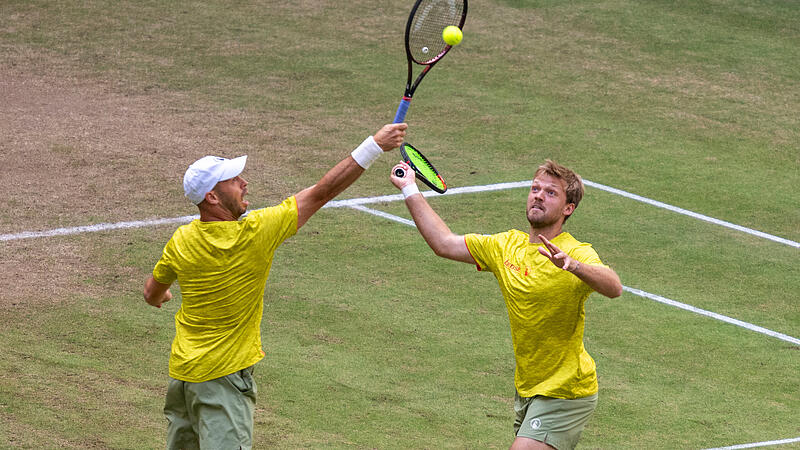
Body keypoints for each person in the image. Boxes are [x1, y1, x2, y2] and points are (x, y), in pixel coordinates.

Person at [143, 122, 407, 449]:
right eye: (233, 181)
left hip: (182, 380)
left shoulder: (181, 241)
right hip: (223, 383)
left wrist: (162, 294)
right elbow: (323, 191)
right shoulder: (255, 234)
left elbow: (152, 291)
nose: (244, 183)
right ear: (212, 196)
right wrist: (375, 145)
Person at [390, 159, 622, 450]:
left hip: (567, 391)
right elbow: (444, 243)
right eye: (535, 188)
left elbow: (614, 287)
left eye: (551, 192)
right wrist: (409, 186)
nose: (538, 195)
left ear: (568, 208)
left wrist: (574, 266)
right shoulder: (505, 246)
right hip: (528, 389)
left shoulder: (575, 252)